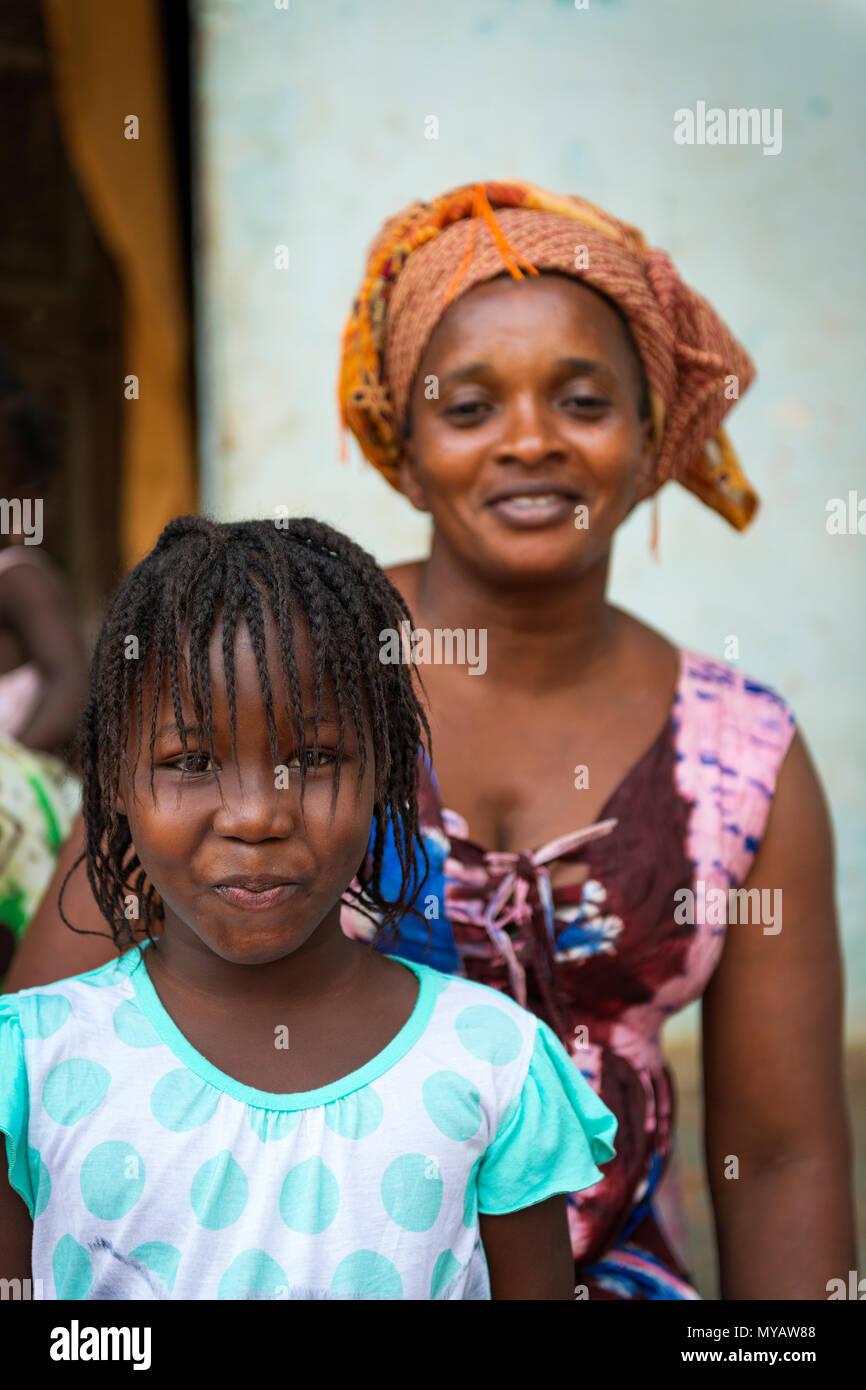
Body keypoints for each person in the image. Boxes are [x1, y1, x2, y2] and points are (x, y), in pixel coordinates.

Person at [6, 180, 856, 1300]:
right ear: (397, 447)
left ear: (651, 439)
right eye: (467, 409)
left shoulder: (739, 754)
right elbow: (51, 1066)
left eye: (583, 402)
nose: (529, 441)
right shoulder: (264, 685)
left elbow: (782, 1155)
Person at [0, 514, 617, 1300]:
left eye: (315, 760)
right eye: (190, 761)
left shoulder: (492, 1064)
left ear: (388, 773)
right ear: (114, 780)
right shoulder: (31, 1067)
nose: (257, 816)